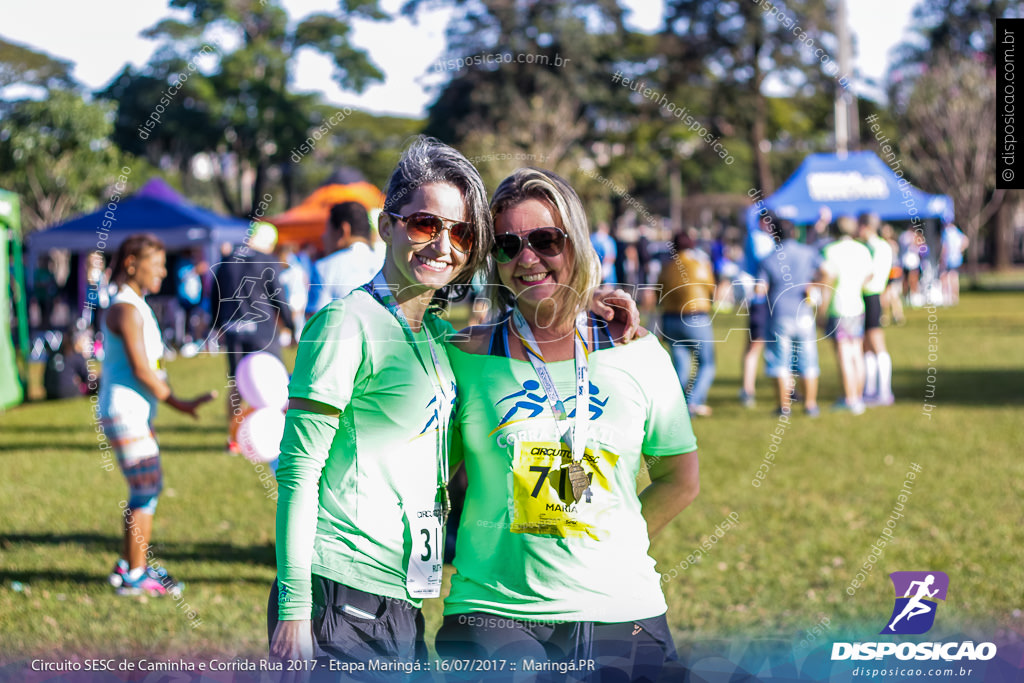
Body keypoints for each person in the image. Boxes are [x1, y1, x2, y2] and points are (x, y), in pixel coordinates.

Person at [436, 168, 699, 681]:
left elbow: (680, 479)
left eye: (545, 240)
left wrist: (607, 543)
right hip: (495, 611)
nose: (526, 258)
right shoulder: (464, 353)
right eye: (508, 246)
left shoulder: (636, 351)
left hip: (621, 608)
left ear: (575, 242)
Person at [268, 137, 494, 672]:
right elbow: (298, 471)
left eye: (460, 232)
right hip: (337, 590)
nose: (443, 245)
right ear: (386, 226)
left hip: (403, 593)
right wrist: (295, 608)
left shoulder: (437, 336)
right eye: (424, 224)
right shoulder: (346, 324)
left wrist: (589, 312)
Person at [99, 234, 215, 596]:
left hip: (133, 412)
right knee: (146, 489)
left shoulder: (135, 304)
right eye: (157, 263)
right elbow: (142, 370)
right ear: (132, 264)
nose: (164, 271)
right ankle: (135, 575)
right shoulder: (125, 308)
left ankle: (127, 565)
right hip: (126, 411)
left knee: (144, 488)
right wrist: (181, 403)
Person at [210, 222, 295, 450]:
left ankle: (234, 438)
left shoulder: (226, 260)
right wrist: (291, 326)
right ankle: (276, 434)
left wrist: (217, 325)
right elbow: (278, 297)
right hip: (263, 331)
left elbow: (214, 296)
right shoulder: (267, 259)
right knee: (274, 383)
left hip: (233, 330)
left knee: (237, 384)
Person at [758, 221, 822, 416]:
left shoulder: (768, 259)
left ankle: (784, 407)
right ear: (794, 232)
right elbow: (828, 270)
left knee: (780, 362)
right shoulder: (807, 252)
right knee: (808, 361)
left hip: (780, 314)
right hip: (803, 313)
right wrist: (816, 286)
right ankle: (810, 405)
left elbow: (760, 288)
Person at [658, 230, 717, 417]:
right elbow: (711, 289)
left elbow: (658, 293)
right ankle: (693, 402)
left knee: (681, 366)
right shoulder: (700, 265)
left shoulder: (666, 268)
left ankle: (679, 405)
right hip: (696, 318)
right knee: (707, 364)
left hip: (671, 320)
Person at [819, 216, 873, 415]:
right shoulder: (863, 249)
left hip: (838, 307)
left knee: (843, 354)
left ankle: (850, 398)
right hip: (857, 306)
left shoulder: (830, 251)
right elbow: (870, 275)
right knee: (856, 353)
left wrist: (821, 310)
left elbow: (826, 281)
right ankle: (857, 396)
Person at [309, 201, 385, 313]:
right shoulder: (384, 264)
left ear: (343, 230)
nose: (323, 236)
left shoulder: (324, 268)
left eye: (327, 230)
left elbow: (314, 321)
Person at [739, 214, 775, 407]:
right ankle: (747, 390)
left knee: (758, 344)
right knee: (755, 345)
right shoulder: (756, 238)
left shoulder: (766, 239)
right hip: (760, 298)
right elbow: (765, 262)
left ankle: (748, 388)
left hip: (768, 298)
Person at [859, 213, 895, 406]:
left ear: (866, 227)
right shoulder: (884, 245)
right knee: (868, 346)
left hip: (870, 295)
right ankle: (870, 389)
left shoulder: (872, 247)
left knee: (877, 344)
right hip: (875, 295)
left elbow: (868, 273)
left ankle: (883, 391)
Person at [43, 325, 92, 400]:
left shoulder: (53, 353)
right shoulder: (76, 356)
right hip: (67, 393)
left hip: (49, 394)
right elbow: (88, 379)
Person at [940, 221, 968, 305]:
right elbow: (966, 240)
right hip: (957, 258)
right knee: (954, 277)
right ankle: (955, 296)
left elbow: (945, 247)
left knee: (944, 277)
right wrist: (960, 250)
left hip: (948, 258)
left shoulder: (946, 232)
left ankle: (947, 297)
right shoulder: (957, 232)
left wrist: (942, 258)